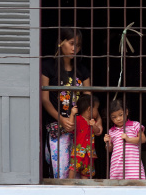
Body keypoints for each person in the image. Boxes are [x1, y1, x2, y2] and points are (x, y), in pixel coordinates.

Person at [41, 27, 101, 179]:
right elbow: (45, 99)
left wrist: (97, 121)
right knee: (61, 174)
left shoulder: (82, 71)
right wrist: (61, 119)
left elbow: (90, 102)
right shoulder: (48, 67)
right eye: (72, 43)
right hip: (57, 129)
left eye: (79, 45)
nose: (75, 48)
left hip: (80, 129)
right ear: (61, 43)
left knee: (81, 174)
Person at [103, 99, 146, 179]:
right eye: (114, 117)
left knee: (135, 185)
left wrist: (128, 139)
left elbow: (143, 139)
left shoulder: (135, 125)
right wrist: (107, 142)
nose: (118, 119)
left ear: (126, 112)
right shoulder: (111, 131)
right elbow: (109, 149)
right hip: (117, 167)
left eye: (120, 115)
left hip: (133, 166)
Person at [68, 94, 103, 179]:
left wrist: (94, 125)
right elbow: (70, 127)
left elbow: (98, 131)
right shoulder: (78, 119)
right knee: (71, 175)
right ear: (90, 109)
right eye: (97, 109)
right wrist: (72, 114)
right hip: (77, 154)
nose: (97, 112)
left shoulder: (93, 121)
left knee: (86, 178)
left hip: (89, 156)